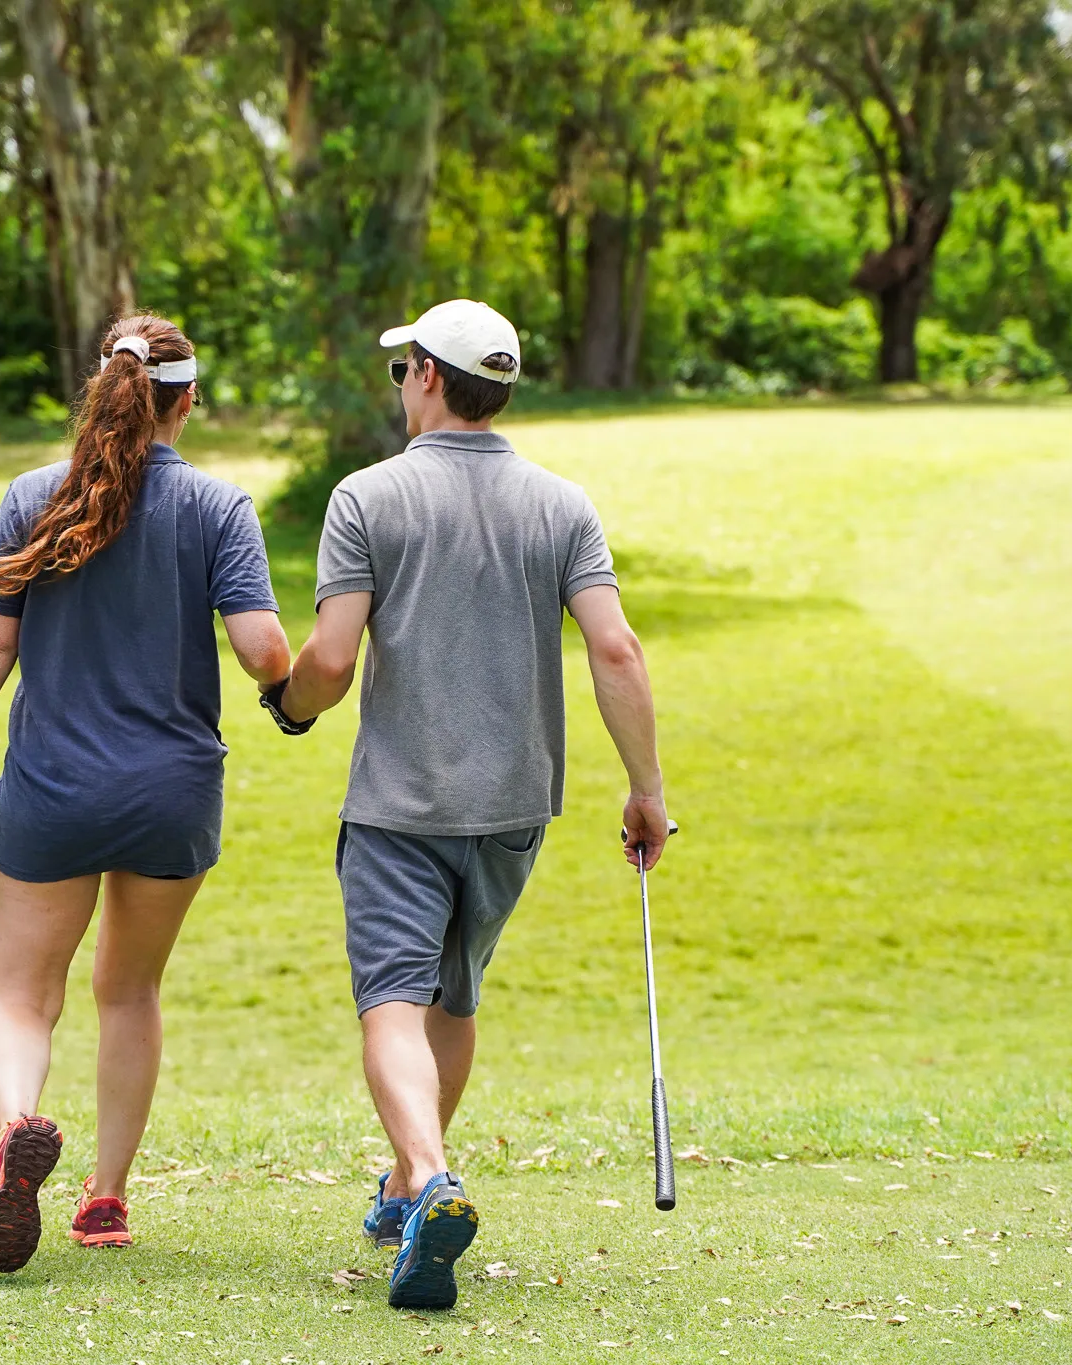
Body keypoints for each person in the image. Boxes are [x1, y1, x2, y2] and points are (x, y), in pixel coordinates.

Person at [263, 299, 670, 1310]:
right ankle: (406, 1183)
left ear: (429, 377)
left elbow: (331, 662)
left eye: (402, 366)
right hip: (513, 806)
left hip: (401, 804)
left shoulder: (365, 499)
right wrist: (645, 790)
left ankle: (431, 1176)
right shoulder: (560, 504)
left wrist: (285, 704)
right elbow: (614, 648)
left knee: (391, 1001)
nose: (398, 381)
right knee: (454, 993)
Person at [0, 314, 291, 1273]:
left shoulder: (33, 497)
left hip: (51, 788)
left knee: (19, 995)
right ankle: (107, 1199)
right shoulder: (219, 507)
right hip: (170, 792)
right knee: (129, 988)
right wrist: (303, 687)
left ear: (104, 388)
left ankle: (15, 1136)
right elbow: (264, 655)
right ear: (188, 399)